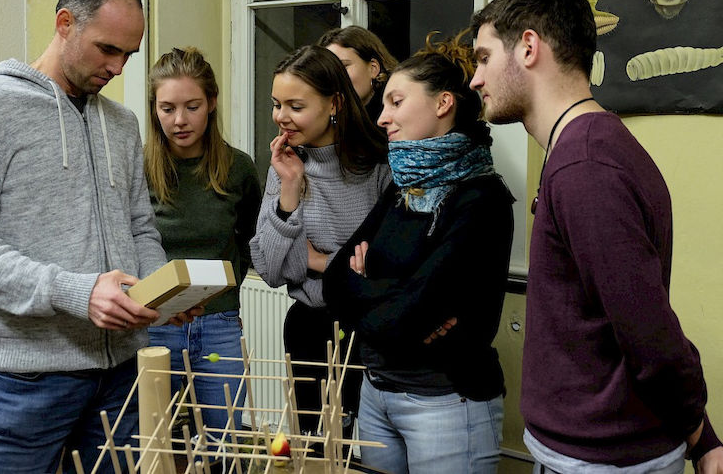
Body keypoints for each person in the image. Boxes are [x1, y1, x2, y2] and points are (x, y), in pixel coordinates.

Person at [0, 0, 199, 474]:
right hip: (29, 379)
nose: (118, 67)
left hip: (122, 374)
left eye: (128, 54)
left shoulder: (121, 125)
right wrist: (78, 292)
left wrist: (158, 292)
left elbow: (140, 227)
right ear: (64, 23)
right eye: (107, 49)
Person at [469, 0, 723, 473]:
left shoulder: (586, 165)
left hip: (601, 461)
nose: (475, 79)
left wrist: (701, 436)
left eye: (482, 57)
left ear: (527, 47)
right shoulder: (582, 149)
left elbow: (649, 334)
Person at [322, 31, 513, 474]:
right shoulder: (402, 188)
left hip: (446, 403)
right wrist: (402, 301)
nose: (382, 117)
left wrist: (371, 290)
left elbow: (410, 313)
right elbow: (335, 280)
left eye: (396, 102)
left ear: (443, 103)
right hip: (375, 395)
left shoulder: (481, 198)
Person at [249, 45, 391, 439]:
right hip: (308, 329)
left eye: (295, 105)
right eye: (277, 104)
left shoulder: (380, 166)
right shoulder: (285, 166)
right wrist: (290, 188)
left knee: (376, 455)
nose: (281, 117)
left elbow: (385, 268)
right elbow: (271, 269)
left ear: (335, 104)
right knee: (316, 451)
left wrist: (317, 261)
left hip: (371, 330)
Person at [144, 46, 261, 437]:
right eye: (167, 108)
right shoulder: (138, 167)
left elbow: (250, 237)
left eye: (192, 106)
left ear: (211, 103)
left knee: (221, 441)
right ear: (154, 109)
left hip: (219, 322)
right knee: (152, 443)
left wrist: (226, 290)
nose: (179, 120)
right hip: (155, 323)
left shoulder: (238, 168)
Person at [318, 25, 398, 123]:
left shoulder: (397, 115)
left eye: (343, 67)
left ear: (373, 68)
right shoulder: (330, 116)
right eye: (328, 70)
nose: (335, 76)